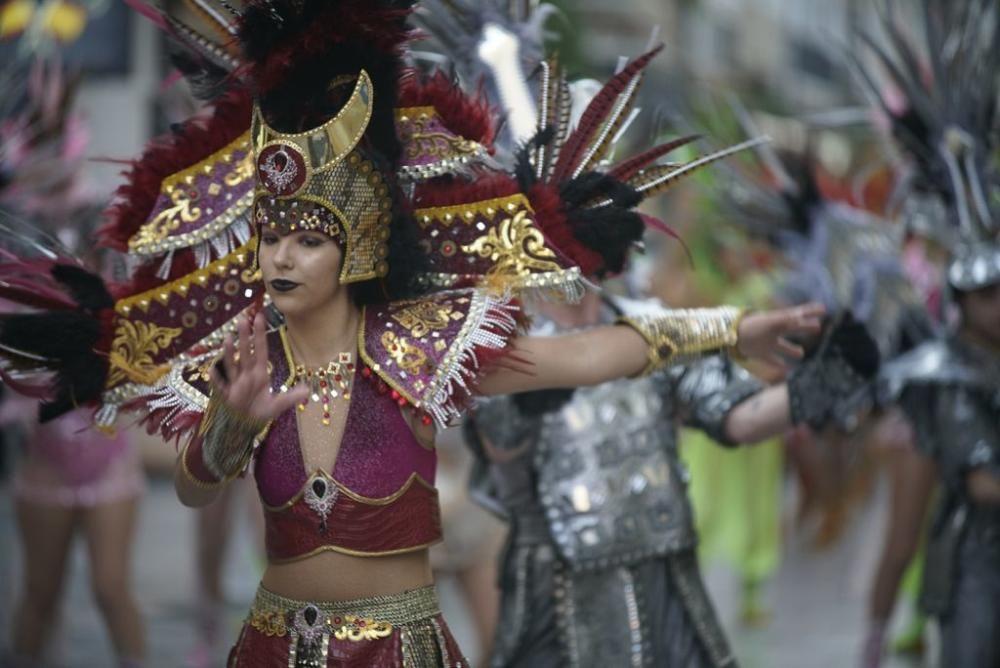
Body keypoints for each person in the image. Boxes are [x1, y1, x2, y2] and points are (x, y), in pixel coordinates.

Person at [0, 1, 825, 665]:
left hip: (400, 648)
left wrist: (734, 327)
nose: (281, 256)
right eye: (272, 234)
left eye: (309, 238)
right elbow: (191, 490)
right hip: (274, 645)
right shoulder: (245, 356)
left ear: (356, 246)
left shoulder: (420, 347)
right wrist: (226, 431)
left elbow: (587, 355)